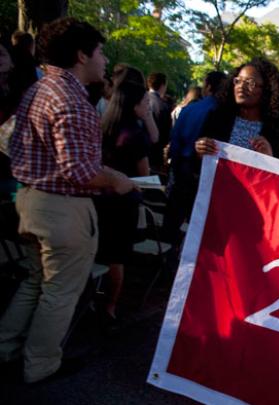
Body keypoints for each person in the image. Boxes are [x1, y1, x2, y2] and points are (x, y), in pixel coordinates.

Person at [0, 17, 134, 384]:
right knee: (59, 292)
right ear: (81, 55)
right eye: (100, 53)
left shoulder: (39, 89)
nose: (104, 61)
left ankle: (6, 348)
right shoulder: (71, 100)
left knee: (34, 282)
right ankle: (40, 365)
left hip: (30, 200)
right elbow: (81, 172)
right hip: (62, 210)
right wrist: (117, 180)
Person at [94, 78, 151, 324]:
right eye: (146, 101)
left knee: (98, 251)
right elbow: (144, 174)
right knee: (117, 257)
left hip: (97, 197)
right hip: (122, 202)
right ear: (134, 105)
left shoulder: (101, 125)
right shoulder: (135, 134)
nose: (149, 106)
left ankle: (93, 298)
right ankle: (110, 307)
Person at [161, 71, 226, 246]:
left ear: (208, 87)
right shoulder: (221, 113)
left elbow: (174, 142)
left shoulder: (189, 109)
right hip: (200, 175)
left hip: (180, 170)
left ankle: (164, 258)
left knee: (172, 222)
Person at [194, 57, 279, 161]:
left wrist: (269, 158)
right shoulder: (217, 118)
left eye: (250, 83)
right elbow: (197, 165)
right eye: (238, 81)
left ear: (267, 90)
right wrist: (200, 150)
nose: (241, 86)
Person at [147, 72, 171, 167]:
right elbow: (166, 133)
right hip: (155, 152)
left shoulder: (138, 99)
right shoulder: (163, 106)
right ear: (163, 85)